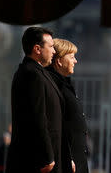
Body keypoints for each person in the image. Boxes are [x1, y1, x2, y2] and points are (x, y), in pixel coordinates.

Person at [6, 27, 73, 173]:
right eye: (50, 47)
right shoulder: (31, 74)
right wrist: (47, 157)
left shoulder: (39, 72)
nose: (54, 51)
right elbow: (38, 118)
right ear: (37, 49)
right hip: (38, 161)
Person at [46, 38, 88, 173]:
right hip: (67, 162)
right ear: (59, 61)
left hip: (75, 160)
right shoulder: (55, 86)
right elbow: (55, 125)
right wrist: (67, 157)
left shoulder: (64, 85)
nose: (75, 61)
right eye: (71, 57)